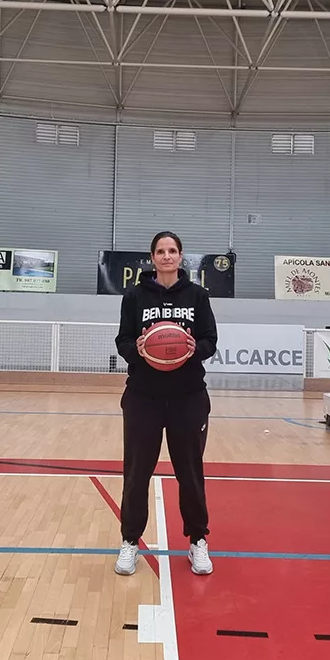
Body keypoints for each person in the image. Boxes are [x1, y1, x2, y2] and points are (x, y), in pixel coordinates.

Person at [113, 231, 217, 577]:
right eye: (161, 251)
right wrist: (139, 349)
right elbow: (122, 340)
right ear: (153, 257)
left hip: (188, 397)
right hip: (143, 397)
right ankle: (130, 541)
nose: (167, 256)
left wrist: (193, 349)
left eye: (172, 250)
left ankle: (198, 540)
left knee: (190, 474)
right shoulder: (135, 296)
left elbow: (210, 340)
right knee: (136, 473)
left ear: (180, 256)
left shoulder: (198, 295)